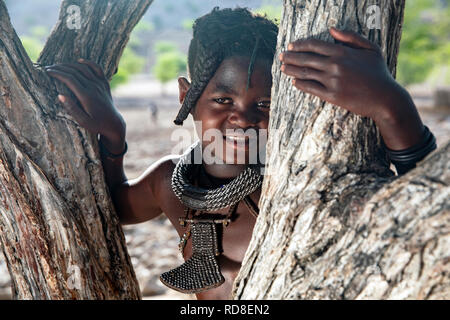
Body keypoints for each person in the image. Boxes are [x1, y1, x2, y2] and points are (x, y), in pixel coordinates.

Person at [44, 7, 436, 300]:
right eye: (222, 98)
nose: (242, 118)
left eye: (263, 104)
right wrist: (113, 137)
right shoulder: (170, 182)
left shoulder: (295, 185)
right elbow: (111, 210)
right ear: (187, 97)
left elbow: (423, 205)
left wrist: (391, 105)